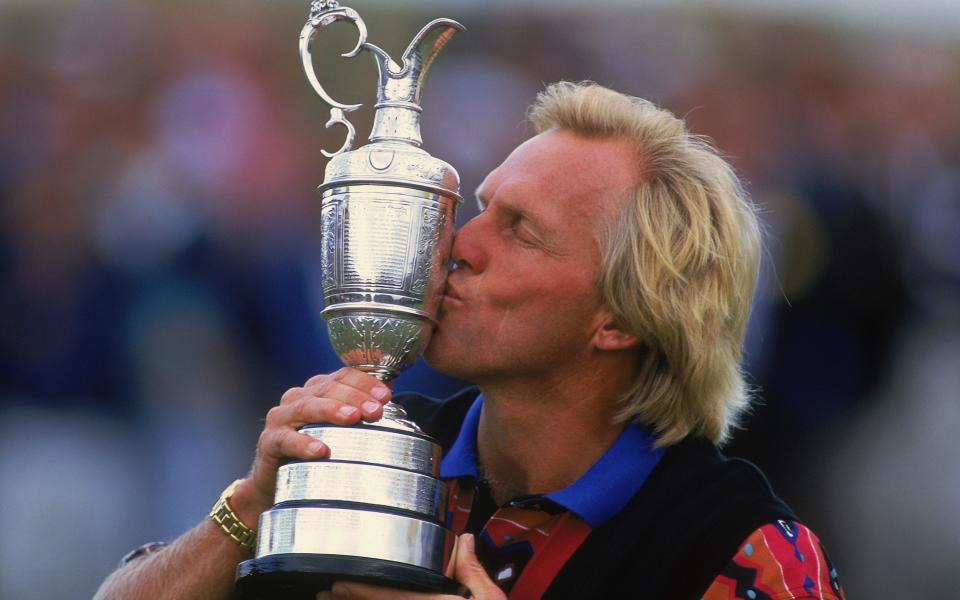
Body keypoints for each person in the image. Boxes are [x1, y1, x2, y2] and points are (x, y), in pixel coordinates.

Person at [96, 82, 845, 600]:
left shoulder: (742, 548)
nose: (457, 243)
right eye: (482, 208)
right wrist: (250, 507)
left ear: (619, 319)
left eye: (519, 230)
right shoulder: (378, 451)